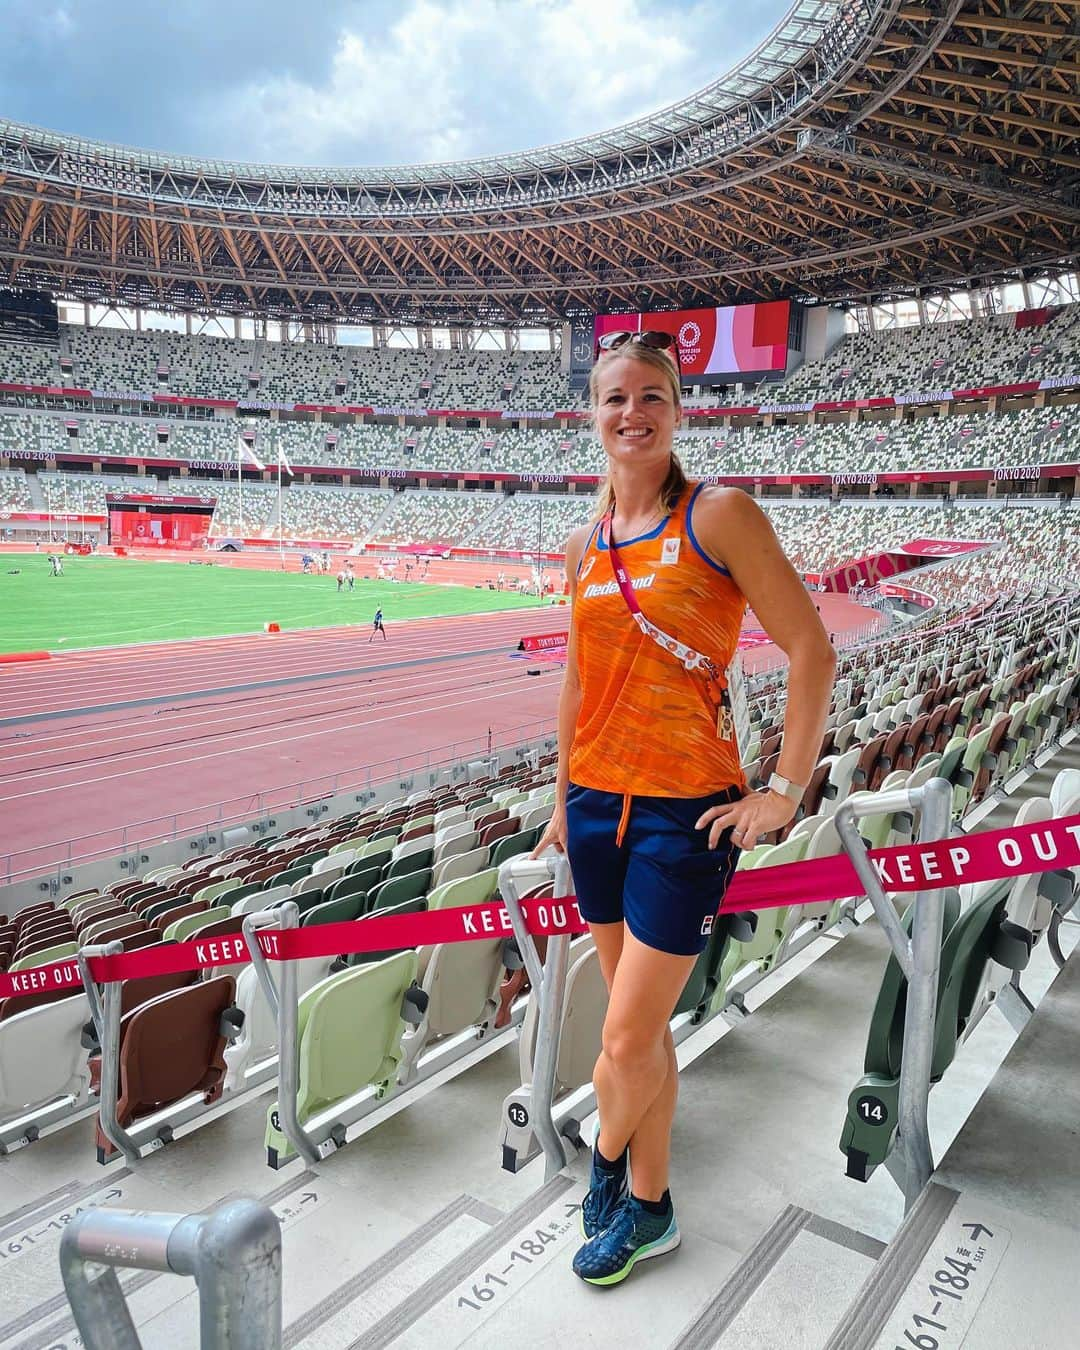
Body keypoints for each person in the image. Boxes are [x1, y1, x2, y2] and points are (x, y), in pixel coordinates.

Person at [532, 333, 836, 1288]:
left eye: (652, 396)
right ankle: (653, 1212)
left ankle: (605, 1170)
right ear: (593, 412)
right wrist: (558, 802)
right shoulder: (584, 544)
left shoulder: (721, 515)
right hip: (596, 811)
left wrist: (783, 789)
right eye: (615, 397)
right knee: (644, 1035)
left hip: (682, 818)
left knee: (620, 1042)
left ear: (677, 411)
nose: (634, 413)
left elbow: (812, 651)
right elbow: (578, 684)